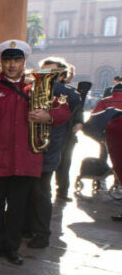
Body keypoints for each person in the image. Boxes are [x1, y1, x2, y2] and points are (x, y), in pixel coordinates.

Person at [0, 40, 71, 265]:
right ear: (1, 63)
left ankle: (12, 248)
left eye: (17, 60)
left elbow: (64, 110)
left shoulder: (37, 87)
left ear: (24, 62)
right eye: (8, 60)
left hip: (26, 158)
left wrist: (48, 117)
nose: (12, 65)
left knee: (18, 208)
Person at [24, 58, 81, 248]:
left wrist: (49, 114)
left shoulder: (67, 94)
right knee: (26, 191)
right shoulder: (29, 90)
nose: (45, 75)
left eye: (51, 72)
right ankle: (26, 227)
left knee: (41, 192)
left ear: (61, 75)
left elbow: (69, 112)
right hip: (28, 148)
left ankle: (42, 234)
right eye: (43, 71)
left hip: (49, 148)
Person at [54, 64, 83, 201]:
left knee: (64, 163)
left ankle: (62, 191)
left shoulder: (71, 92)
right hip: (52, 133)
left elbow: (78, 110)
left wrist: (79, 122)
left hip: (67, 133)